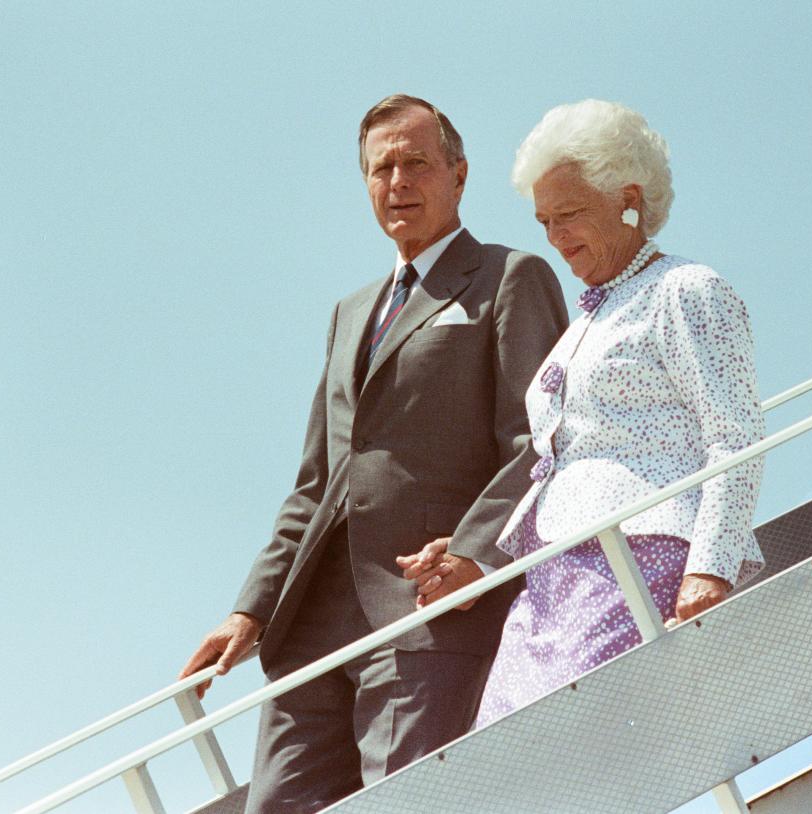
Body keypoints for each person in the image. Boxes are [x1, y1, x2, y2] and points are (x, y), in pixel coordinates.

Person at [179, 94, 568, 812]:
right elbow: (317, 484)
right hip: (312, 630)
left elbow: (538, 444)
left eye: (416, 162)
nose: (398, 181)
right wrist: (251, 609)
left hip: (426, 611)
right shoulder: (348, 313)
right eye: (381, 168)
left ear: (459, 174)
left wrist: (475, 556)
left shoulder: (510, 277)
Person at [404, 99, 766, 728]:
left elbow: (736, 438)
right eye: (544, 221)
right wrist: (477, 550)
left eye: (569, 213)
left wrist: (711, 568)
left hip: (639, 554)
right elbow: (554, 465)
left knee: (576, 752)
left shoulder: (684, 289)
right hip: (551, 575)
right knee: (502, 750)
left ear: (629, 196)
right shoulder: (584, 323)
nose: (556, 237)